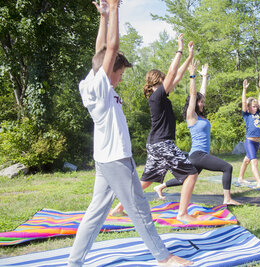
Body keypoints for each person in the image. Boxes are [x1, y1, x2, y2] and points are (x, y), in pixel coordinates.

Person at [68, 1, 192, 266]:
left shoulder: (93, 82)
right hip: (115, 158)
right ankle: (163, 257)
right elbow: (109, 50)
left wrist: (102, 16)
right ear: (109, 71)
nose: (121, 78)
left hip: (105, 158)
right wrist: (114, 8)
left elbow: (100, 51)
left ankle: (73, 263)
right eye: (120, 73)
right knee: (138, 208)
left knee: (95, 214)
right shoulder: (100, 87)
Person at [111, 34, 199, 222]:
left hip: (155, 144)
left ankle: (119, 208)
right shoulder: (157, 96)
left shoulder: (160, 97)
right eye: (165, 79)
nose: (169, 80)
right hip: (162, 143)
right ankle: (183, 214)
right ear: (158, 81)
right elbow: (173, 72)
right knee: (191, 174)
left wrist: (190, 57)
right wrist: (180, 50)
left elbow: (178, 75)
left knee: (147, 180)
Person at [151, 63, 241, 205]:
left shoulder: (200, 116)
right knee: (227, 167)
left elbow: (200, 94)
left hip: (197, 155)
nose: (203, 104)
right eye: (201, 102)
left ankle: (160, 186)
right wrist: (192, 76)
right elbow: (194, 95)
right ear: (194, 103)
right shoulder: (191, 116)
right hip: (198, 155)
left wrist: (204, 77)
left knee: (187, 178)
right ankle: (227, 199)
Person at [237, 75, 260, 189]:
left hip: (257, 142)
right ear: (249, 107)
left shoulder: (256, 114)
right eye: (254, 106)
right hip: (250, 142)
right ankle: (259, 182)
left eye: (256, 107)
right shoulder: (246, 115)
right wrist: (244, 89)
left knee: (246, 160)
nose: (256, 108)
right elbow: (243, 101)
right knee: (254, 161)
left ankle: (240, 178)